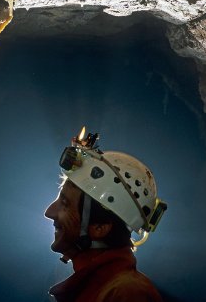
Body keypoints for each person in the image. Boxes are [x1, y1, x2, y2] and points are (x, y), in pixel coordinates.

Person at [45, 128, 167, 302]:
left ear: (99, 228)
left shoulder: (127, 294)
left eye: (65, 203)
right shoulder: (96, 287)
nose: (48, 212)